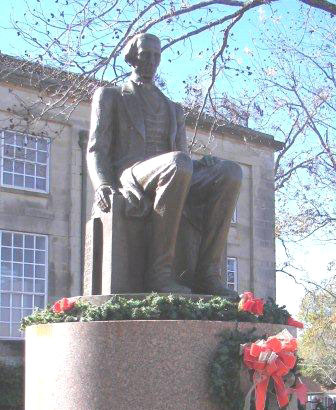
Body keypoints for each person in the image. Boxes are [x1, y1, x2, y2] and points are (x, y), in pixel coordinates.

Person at [87, 33, 242, 296]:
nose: (151, 61)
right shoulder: (111, 96)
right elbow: (96, 148)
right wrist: (102, 183)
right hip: (132, 173)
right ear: (132, 57)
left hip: (172, 168)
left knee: (230, 172)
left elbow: (181, 158)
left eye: (156, 56)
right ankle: (159, 274)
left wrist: (203, 165)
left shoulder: (173, 108)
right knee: (178, 163)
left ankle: (207, 274)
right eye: (145, 54)